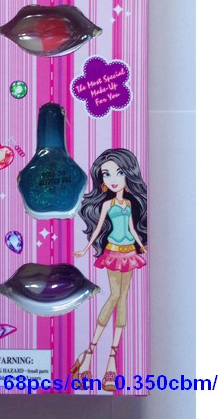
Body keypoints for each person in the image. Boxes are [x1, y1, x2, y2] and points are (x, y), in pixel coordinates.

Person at [71, 148, 147, 391]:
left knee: (123, 298)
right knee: (115, 295)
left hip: (130, 251)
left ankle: (112, 357)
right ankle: (89, 352)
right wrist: (85, 249)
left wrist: (142, 245)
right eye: (106, 174)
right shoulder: (107, 204)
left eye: (119, 172)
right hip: (113, 250)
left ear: (129, 174)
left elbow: (132, 228)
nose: (113, 179)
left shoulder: (129, 203)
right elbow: (97, 229)